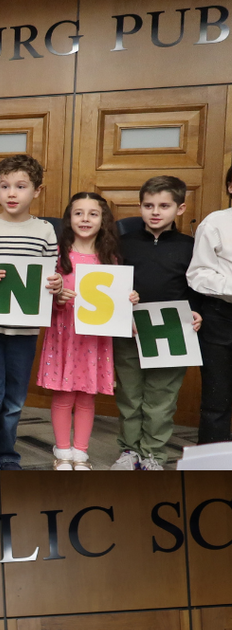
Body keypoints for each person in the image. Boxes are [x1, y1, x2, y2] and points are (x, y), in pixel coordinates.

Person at [0, 155, 60, 471]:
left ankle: (7, 455)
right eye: (4, 186)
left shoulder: (46, 231)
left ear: (36, 191)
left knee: (14, 400)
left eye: (21, 187)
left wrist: (56, 284)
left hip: (25, 330)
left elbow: (53, 278)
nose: (12, 193)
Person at [37, 193, 136, 470]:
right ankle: (62, 454)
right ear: (69, 218)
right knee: (63, 395)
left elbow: (115, 301)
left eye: (93, 214)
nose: (85, 219)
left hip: (94, 339)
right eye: (78, 213)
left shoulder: (111, 258)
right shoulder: (58, 255)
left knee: (85, 396)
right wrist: (56, 298)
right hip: (64, 335)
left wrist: (128, 300)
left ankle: (81, 454)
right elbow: (45, 298)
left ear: (103, 219)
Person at [111, 176, 203, 470]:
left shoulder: (190, 247)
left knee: (161, 398)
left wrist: (199, 313)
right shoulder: (123, 243)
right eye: (148, 205)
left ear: (180, 208)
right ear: (140, 206)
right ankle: (129, 451)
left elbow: (198, 288)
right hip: (130, 328)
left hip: (172, 330)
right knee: (129, 394)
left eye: (164, 205)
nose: (155, 211)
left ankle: (152, 454)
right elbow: (111, 285)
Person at [187, 163, 232, 446]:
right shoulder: (215, 223)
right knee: (217, 400)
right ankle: (210, 468)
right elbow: (198, 273)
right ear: (231, 187)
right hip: (221, 317)